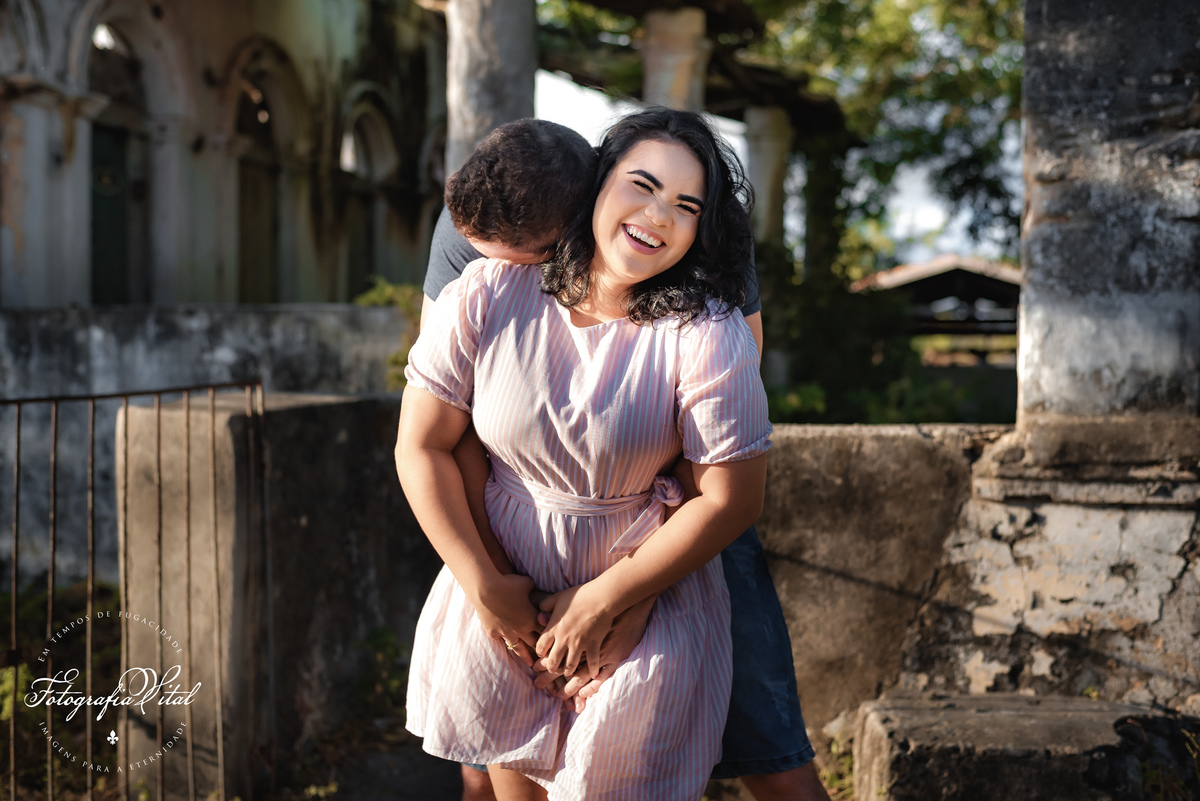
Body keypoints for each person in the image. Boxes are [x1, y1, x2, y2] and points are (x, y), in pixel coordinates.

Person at [421, 119, 829, 801]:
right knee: (488, 760)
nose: (523, 271)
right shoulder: (480, 247)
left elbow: (704, 460)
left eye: (533, 254)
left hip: (658, 519)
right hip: (511, 532)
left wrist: (627, 593)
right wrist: (491, 583)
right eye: (503, 256)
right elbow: (450, 432)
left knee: (769, 745)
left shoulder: (701, 300)